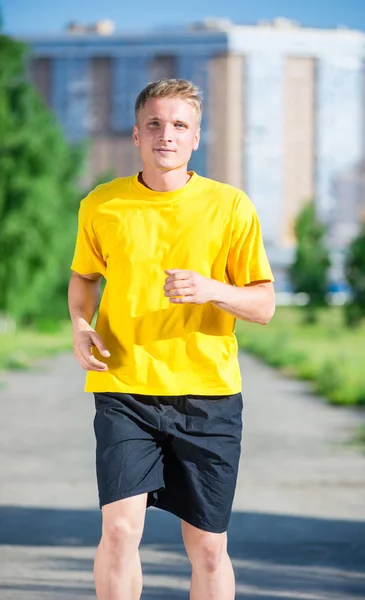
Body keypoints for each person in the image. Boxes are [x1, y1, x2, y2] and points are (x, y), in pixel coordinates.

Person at [68, 78, 275, 600]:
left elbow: (264, 305)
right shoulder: (102, 203)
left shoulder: (230, 207)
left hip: (208, 396)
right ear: (136, 134)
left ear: (196, 137)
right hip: (124, 389)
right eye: (155, 124)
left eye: (179, 125)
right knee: (119, 532)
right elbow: (85, 277)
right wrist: (79, 323)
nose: (166, 135)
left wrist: (211, 289)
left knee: (207, 547)